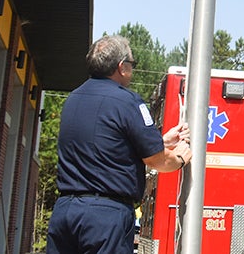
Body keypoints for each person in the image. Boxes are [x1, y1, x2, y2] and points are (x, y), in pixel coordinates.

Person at [47, 35, 193, 253]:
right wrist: (180, 158)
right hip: (105, 217)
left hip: (65, 212)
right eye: (132, 64)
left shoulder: (73, 99)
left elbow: (103, 145)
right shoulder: (128, 101)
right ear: (121, 67)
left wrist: (160, 140)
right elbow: (158, 160)